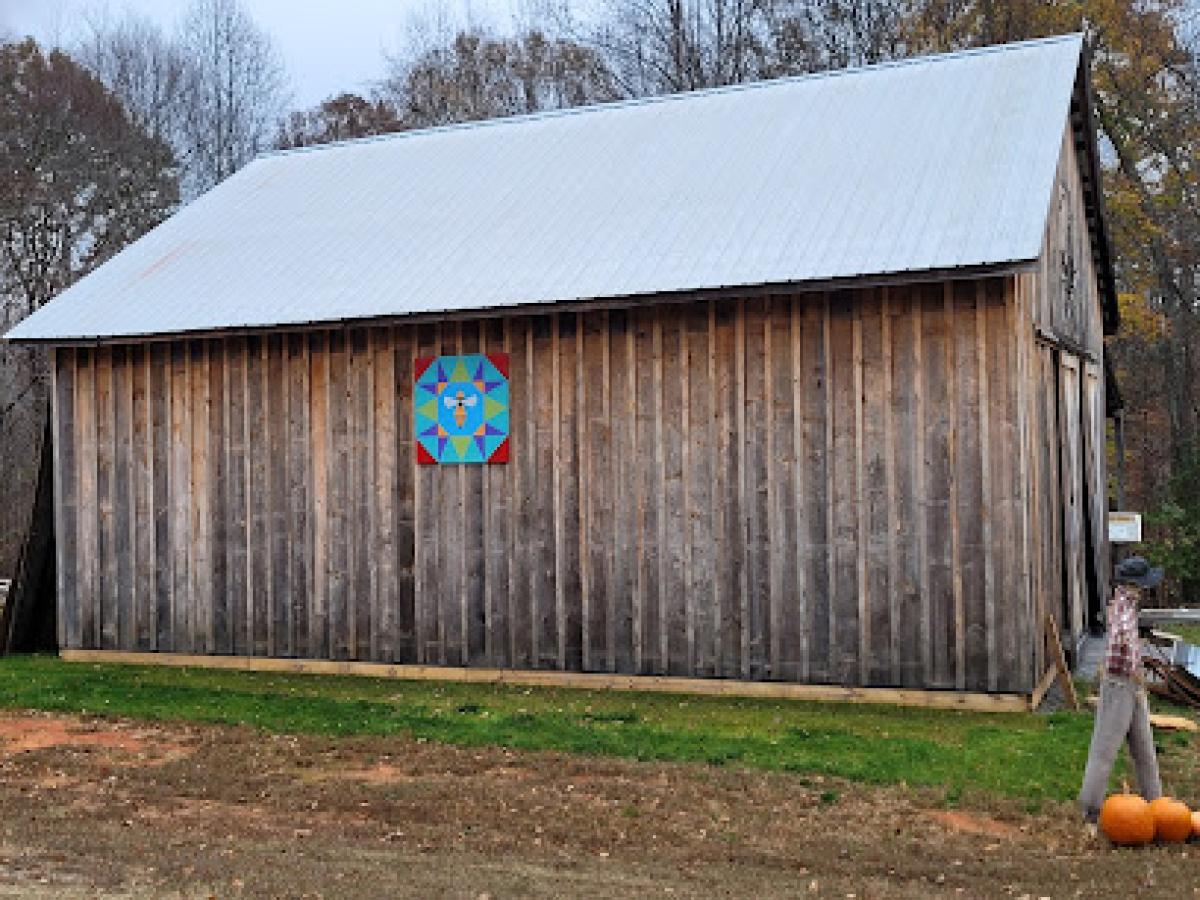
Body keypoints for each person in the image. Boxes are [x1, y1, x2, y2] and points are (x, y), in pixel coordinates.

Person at [1078, 556, 1164, 827]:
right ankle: (1090, 811)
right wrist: (1132, 669)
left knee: (1144, 748)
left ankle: (1157, 805)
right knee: (1104, 750)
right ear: (1134, 583)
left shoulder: (1126, 604)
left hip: (1132, 686)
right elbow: (1121, 638)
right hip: (1119, 685)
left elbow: (1126, 638)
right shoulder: (1123, 605)